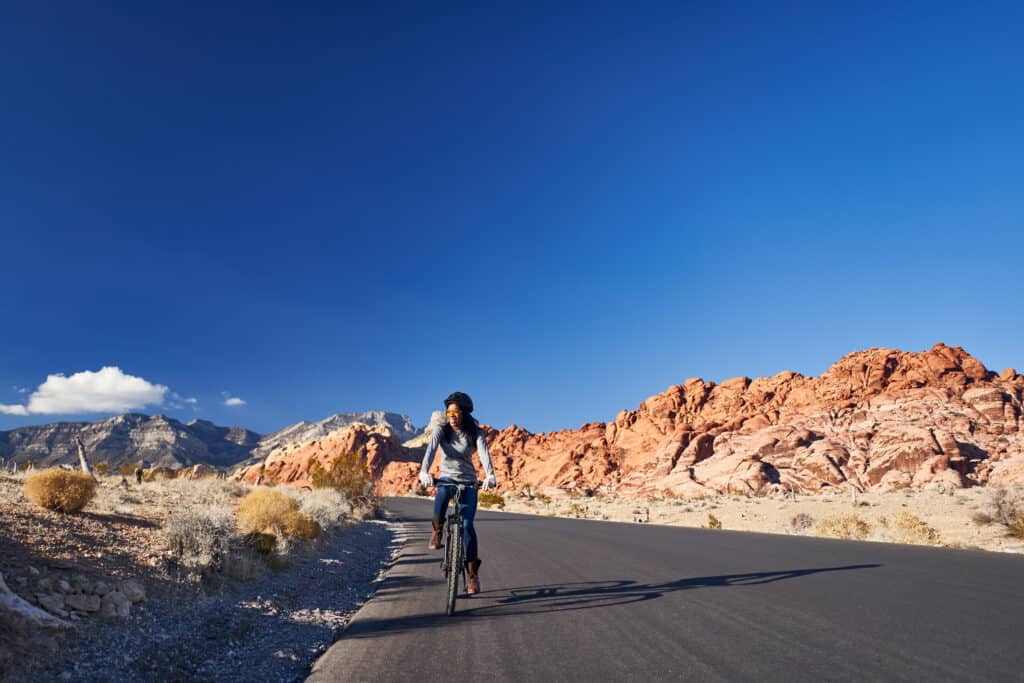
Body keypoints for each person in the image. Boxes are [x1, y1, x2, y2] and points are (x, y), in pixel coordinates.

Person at [419, 391, 497, 595]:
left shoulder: (476, 433)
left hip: (469, 481)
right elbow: (431, 451)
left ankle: (472, 576)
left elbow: (483, 454)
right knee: (442, 492)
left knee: (468, 525)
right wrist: (424, 471)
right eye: (449, 411)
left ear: (464, 413)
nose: (451, 415)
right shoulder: (440, 430)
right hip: (447, 478)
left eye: (456, 412)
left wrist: (490, 475)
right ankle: (437, 531)